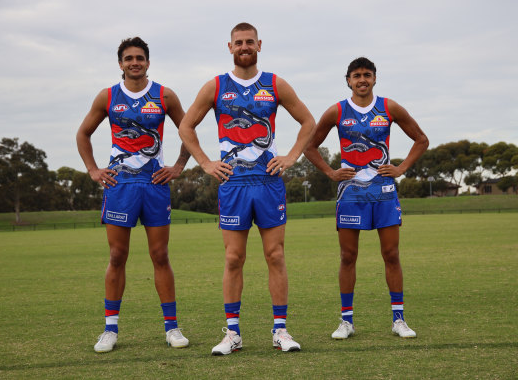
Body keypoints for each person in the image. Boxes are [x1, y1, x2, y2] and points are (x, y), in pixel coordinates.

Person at [178, 22, 315, 355]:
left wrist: (291, 156)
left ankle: (280, 330)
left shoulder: (274, 84)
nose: (244, 46)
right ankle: (233, 334)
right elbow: (186, 126)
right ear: (230, 47)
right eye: (238, 42)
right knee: (234, 258)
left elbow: (308, 122)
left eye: (249, 41)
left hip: (268, 181)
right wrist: (206, 163)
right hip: (233, 183)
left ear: (259, 44)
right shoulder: (215, 87)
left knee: (275, 256)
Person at [76, 37, 191, 353]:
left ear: (148, 62)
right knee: (116, 256)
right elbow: (83, 134)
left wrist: (179, 165)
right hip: (120, 186)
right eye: (129, 58)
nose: (134, 62)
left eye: (140, 58)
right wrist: (93, 170)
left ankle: (172, 328)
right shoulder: (108, 96)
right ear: (121, 64)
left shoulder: (164, 95)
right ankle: (109, 330)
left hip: (155, 184)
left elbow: (188, 130)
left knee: (160, 255)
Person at [304, 57, 428, 340]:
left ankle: (399, 319)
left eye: (367, 75)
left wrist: (401, 168)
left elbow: (421, 139)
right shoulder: (336, 111)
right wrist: (330, 172)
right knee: (348, 256)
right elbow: (310, 147)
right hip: (350, 194)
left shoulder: (389, 108)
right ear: (348, 80)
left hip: (383, 192)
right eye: (356, 75)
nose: (362, 80)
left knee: (391, 254)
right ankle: (346, 321)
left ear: (375, 79)